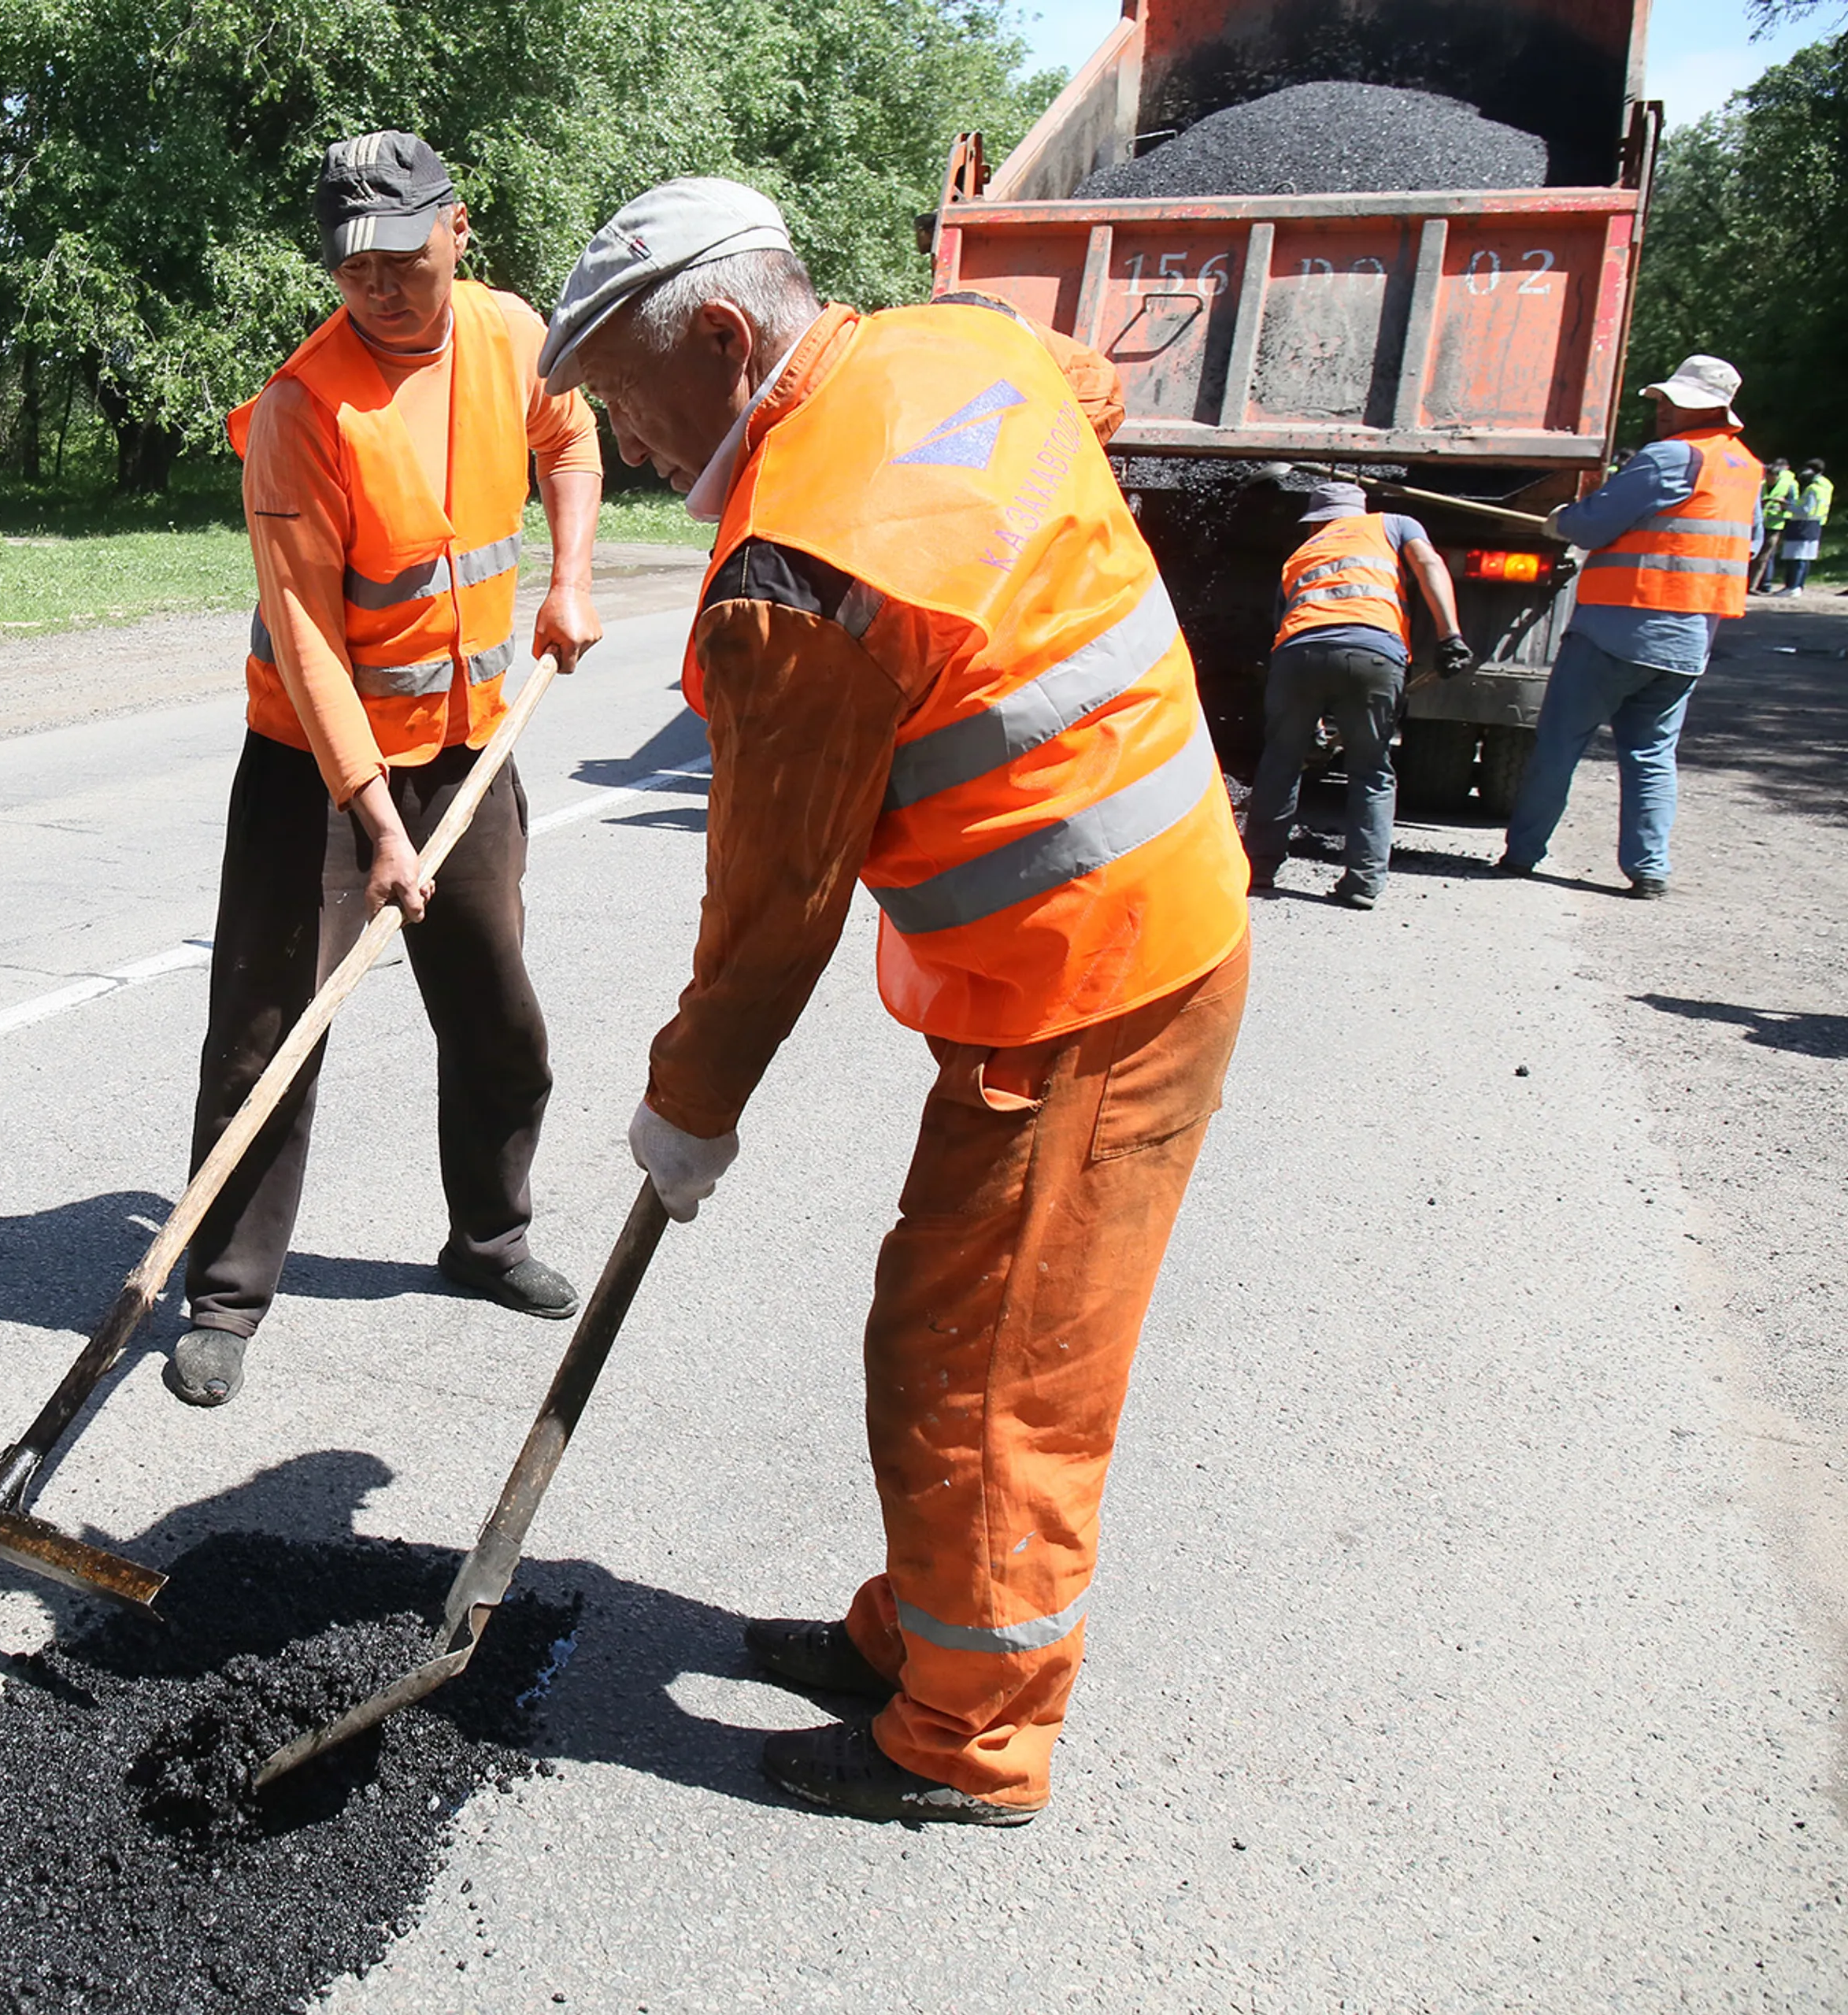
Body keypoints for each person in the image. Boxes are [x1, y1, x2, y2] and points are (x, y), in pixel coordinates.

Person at [539, 180, 1250, 1825]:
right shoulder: (952, 346)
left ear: (726, 339)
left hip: (1099, 981)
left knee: (986, 1365)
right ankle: (917, 1629)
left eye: (635, 405)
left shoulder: (799, 578)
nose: (633, 448)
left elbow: (769, 920)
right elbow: (1087, 386)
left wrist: (684, 1113)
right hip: (1096, 949)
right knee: (941, 1315)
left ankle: (975, 1732)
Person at [168, 131, 604, 1409]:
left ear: (456, 231)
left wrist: (570, 576)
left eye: (405, 262)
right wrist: (373, 820)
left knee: (496, 1011)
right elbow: (303, 633)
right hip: (315, 767)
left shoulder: (517, 333)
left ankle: (490, 1238)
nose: (381, 290)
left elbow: (569, 440)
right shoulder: (304, 407)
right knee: (267, 1033)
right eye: (355, 271)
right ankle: (225, 1296)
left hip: (469, 744)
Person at [1498, 354, 1761, 896]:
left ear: (1712, 407)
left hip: (1615, 633)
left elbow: (1594, 524)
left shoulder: (1670, 458)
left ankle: (1522, 855)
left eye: (1674, 403)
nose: (1663, 409)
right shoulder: (1746, 468)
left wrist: (1561, 522)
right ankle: (1649, 870)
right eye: (1664, 400)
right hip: (1687, 642)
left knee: (1558, 744)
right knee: (1652, 755)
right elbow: (1746, 544)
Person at [1242, 480, 1472, 908]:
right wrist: (1449, 635)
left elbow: (1284, 626)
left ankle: (1259, 869)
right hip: (1374, 654)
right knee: (1371, 769)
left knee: (1281, 761)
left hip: (1298, 656)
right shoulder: (1395, 524)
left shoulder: (1300, 555)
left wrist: (1306, 721)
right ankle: (1363, 883)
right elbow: (1429, 565)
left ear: (1317, 522)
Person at [1772, 456, 1830, 594]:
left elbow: (1805, 510)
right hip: (1816, 523)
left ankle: (1792, 586)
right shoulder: (1826, 485)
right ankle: (1799, 586)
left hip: (1803, 524)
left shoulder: (1812, 488)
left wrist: (1786, 506)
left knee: (1797, 557)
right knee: (1805, 557)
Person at [1750, 457, 1796, 592]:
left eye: (1774, 477)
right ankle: (1750, 584)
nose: (1771, 480)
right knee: (1752, 554)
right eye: (1769, 477)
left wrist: (1782, 504)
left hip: (1775, 525)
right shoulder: (1760, 485)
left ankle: (1754, 585)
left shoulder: (1787, 486)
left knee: (1764, 557)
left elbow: (1793, 504)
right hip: (1758, 524)